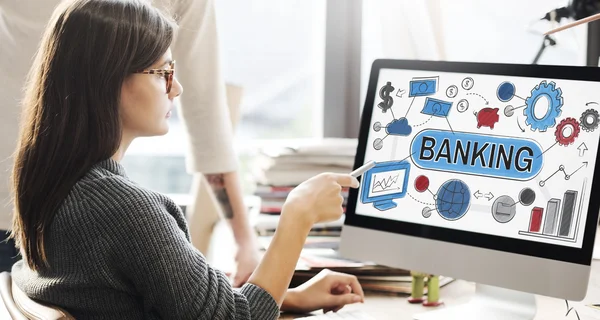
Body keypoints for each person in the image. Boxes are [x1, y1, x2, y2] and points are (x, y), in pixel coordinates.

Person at [9, 0, 365, 319]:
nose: (176, 87)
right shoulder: (122, 211)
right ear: (109, 79)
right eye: (162, 73)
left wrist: (287, 297)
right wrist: (298, 214)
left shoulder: (54, 187)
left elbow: (172, 299)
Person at [0, 0, 260, 284]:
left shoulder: (122, 207)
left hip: (34, 200)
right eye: (162, 73)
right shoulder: (133, 214)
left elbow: (206, 117)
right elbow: (206, 116)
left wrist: (242, 240)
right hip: (35, 212)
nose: (175, 88)